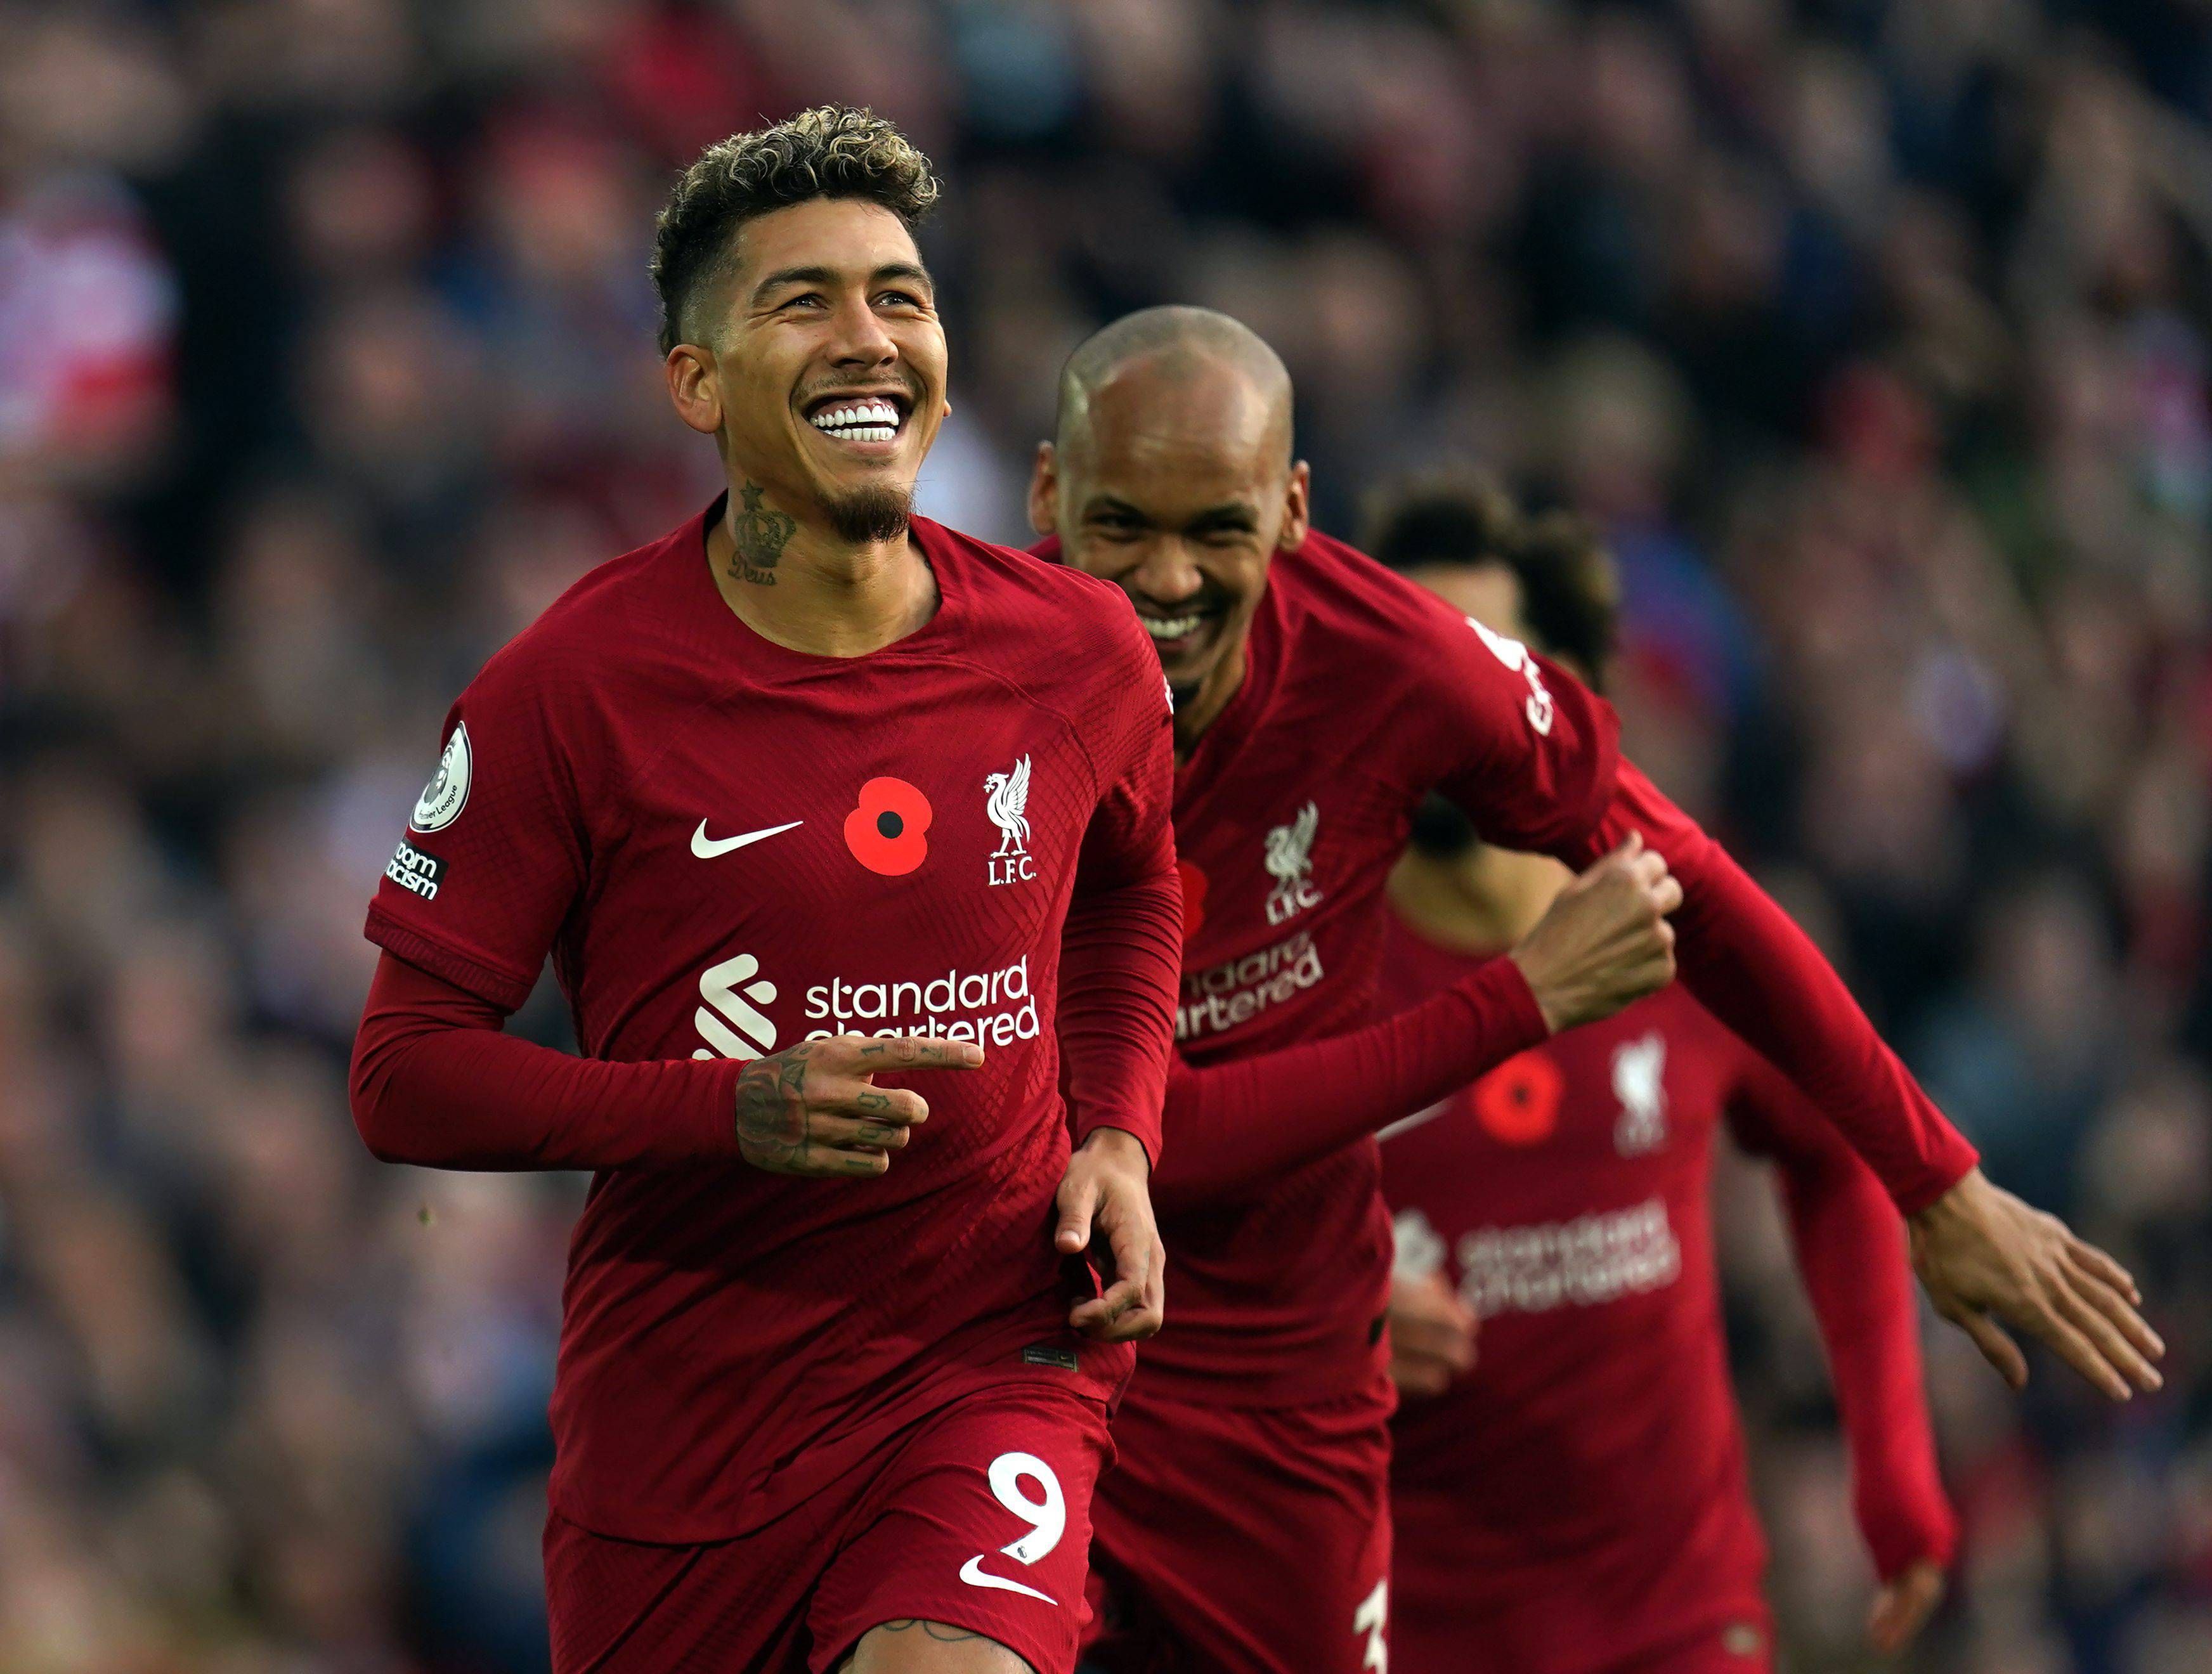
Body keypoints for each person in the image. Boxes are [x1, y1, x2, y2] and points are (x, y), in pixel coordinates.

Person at [1025, 306, 2162, 1674]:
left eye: (1217, 527)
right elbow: (1139, 1142)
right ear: (1048, 496)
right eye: (1121, 525)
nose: (1170, 577)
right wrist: (1510, 1012)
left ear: (1292, 511)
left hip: (1346, 1455)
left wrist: (1931, 1187)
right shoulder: (982, 704)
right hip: (1046, 1368)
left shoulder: (1426, 709)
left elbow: (1732, 961)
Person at [347, 108, 1186, 1674]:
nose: (869, 339)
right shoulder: (569, 691)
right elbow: (402, 1078)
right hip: (689, 1424)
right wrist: (712, 1111)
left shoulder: (1080, 650)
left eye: (901, 296)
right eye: (803, 302)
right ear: (694, 382)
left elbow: (1135, 884)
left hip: (991, 1355)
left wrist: (1122, 1132)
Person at [1370, 484, 1954, 1674]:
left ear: (1565, 706)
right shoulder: (1297, 966)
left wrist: (1893, 1474)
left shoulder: (1690, 937)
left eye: (1480, 670)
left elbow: (1832, 1158)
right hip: (1406, 1627)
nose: (1433, 711)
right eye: (1404, 666)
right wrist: (1315, 1327)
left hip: (1676, 1623)